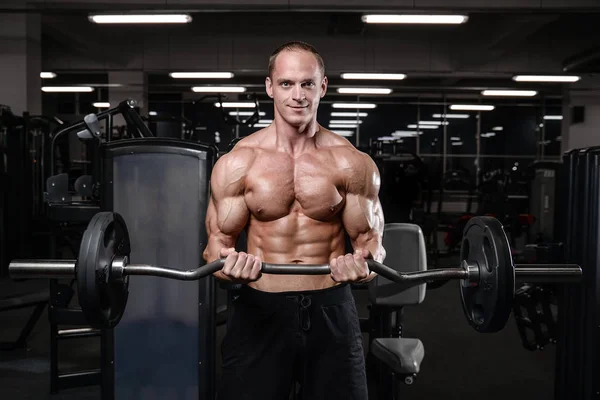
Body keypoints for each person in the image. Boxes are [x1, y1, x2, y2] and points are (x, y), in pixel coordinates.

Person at [203, 41, 386, 400]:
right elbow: (214, 252)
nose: (298, 95)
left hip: (330, 308)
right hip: (260, 309)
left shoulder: (351, 162)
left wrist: (363, 268)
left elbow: (373, 250)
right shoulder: (239, 163)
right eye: (286, 84)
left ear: (323, 86)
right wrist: (230, 268)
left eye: (307, 83)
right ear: (270, 87)